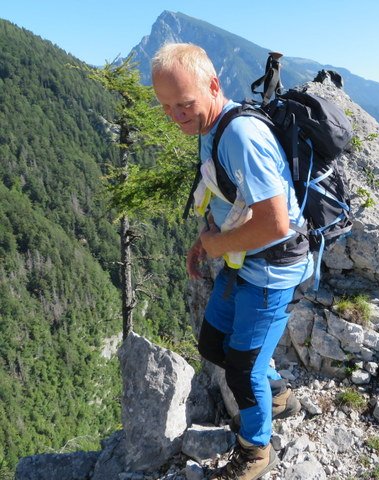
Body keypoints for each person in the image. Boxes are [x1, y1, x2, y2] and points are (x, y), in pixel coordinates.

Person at [152, 43, 313, 479]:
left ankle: (256, 451)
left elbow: (276, 223)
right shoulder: (210, 127)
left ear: (213, 85)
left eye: (184, 104)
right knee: (213, 344)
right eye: (166, 106)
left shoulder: (240, 136)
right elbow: (224, 194)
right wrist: (204, 241)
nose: (176, 116)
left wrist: (218, 245)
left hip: (273, 267)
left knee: (242, 371)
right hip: (244, 260)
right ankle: (277, 394)